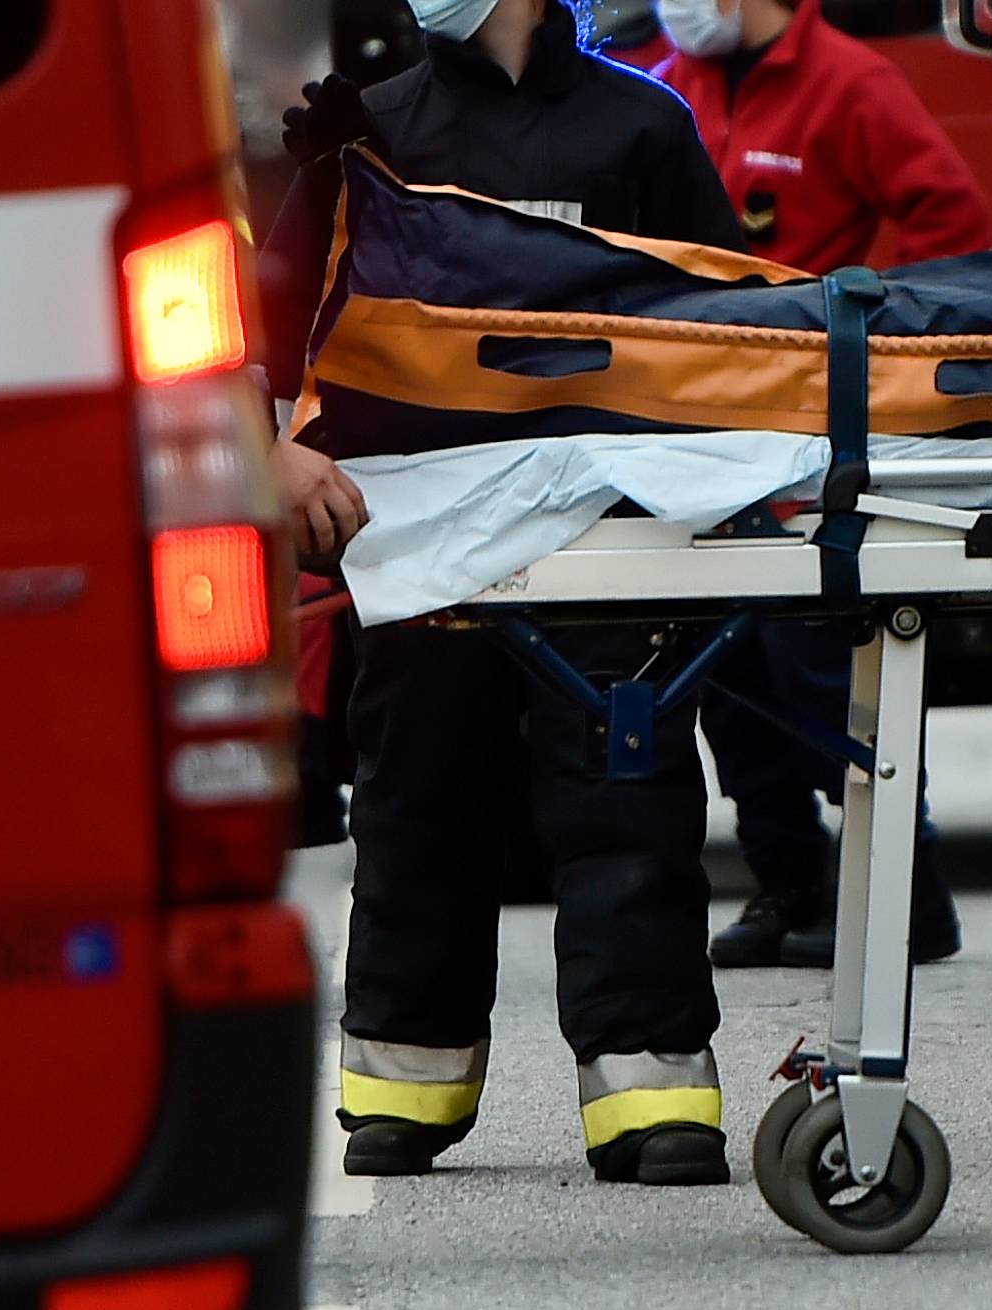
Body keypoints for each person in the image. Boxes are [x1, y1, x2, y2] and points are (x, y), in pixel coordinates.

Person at [258, 0, 756, 1184]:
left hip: (609, 544)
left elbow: (739, 329)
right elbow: (250, 324)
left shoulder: (645, 132)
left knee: (625, 803)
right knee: (419, 801)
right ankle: (403, 1083)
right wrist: (270, 449)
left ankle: (650, 1092)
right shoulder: (365, 136)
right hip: (422, 540)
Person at [651, 0, 988, 969]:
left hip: (813, 430)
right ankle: (787, 880)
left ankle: (907, 888)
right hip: (705, 432)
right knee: (728, 665)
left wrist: (866, 342)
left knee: (826, 665)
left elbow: (951, 212)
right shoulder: (675, 86)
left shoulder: (850, 84)